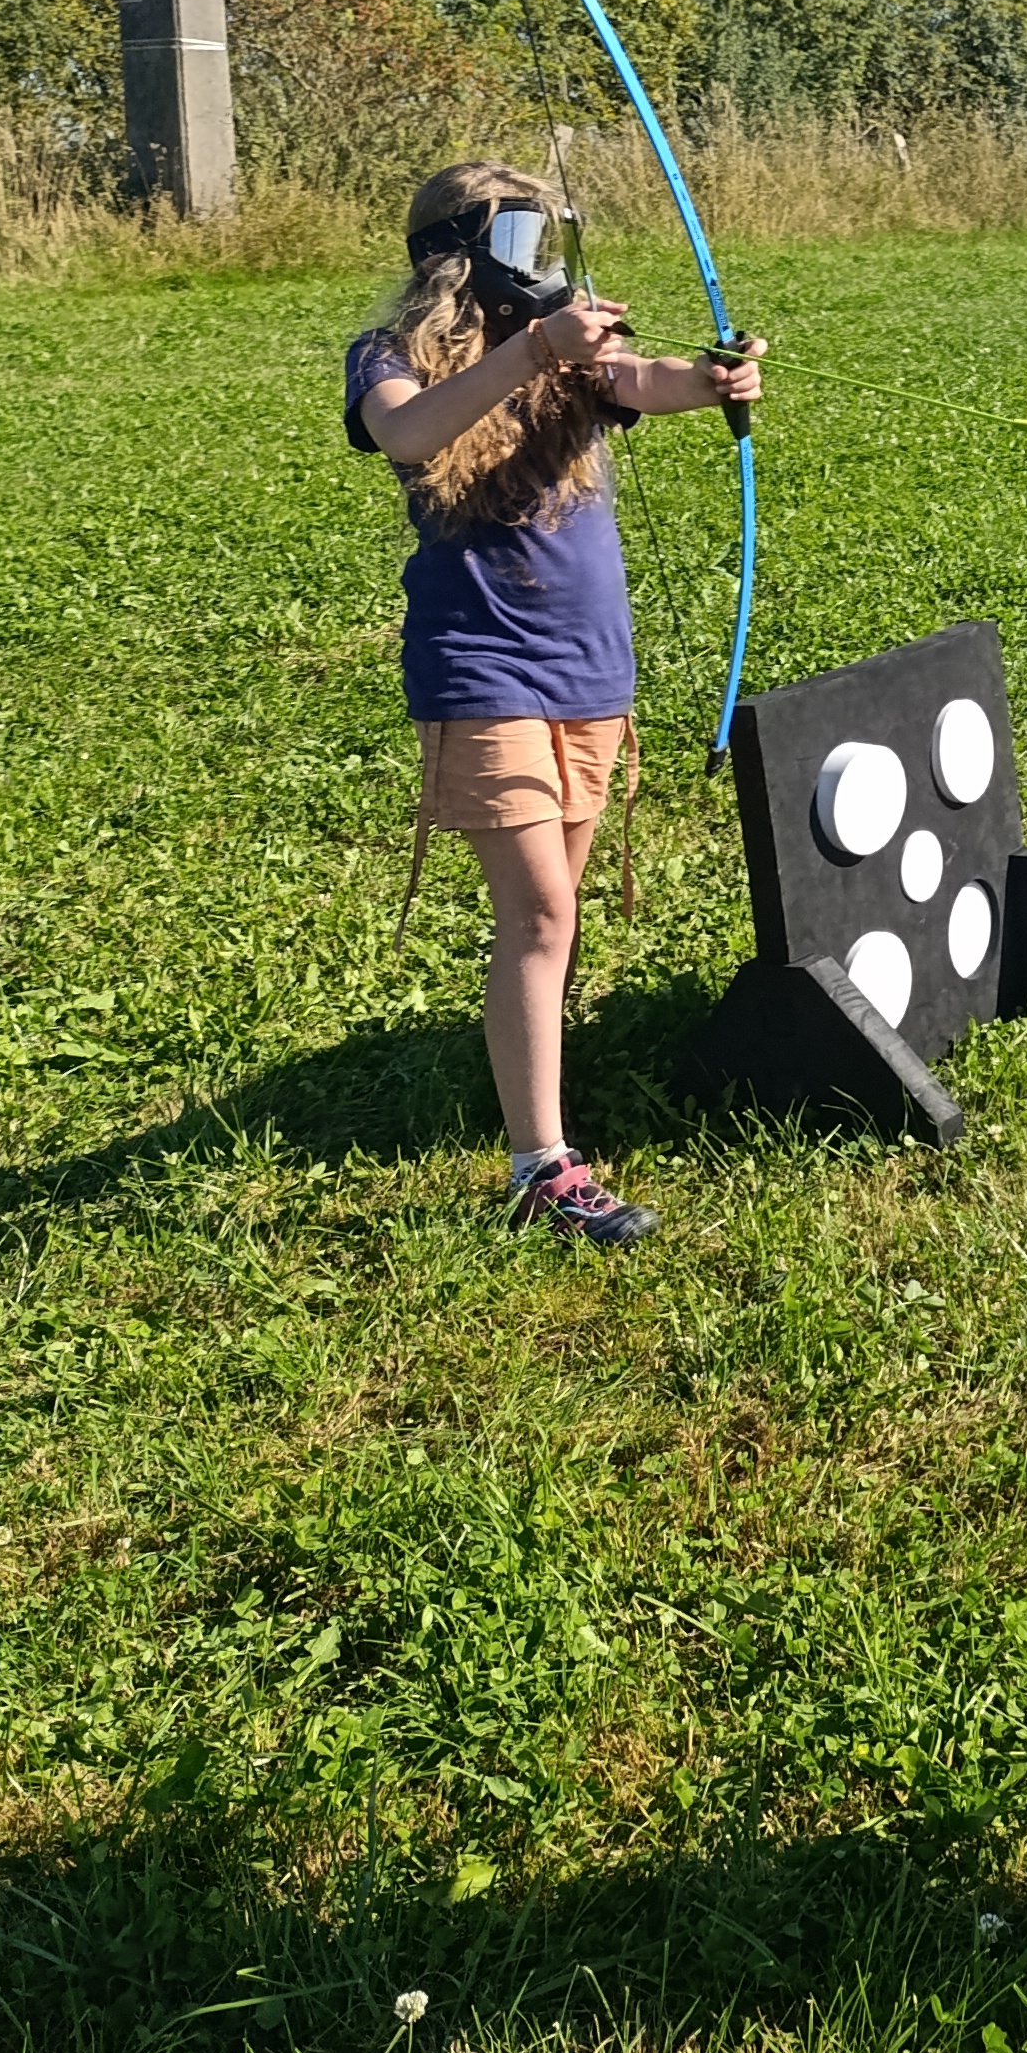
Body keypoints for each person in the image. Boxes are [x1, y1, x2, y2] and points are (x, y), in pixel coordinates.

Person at [347, 158, 764, 1245]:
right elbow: (406, 431)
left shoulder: (575, 355)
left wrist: (717, 379)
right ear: (462, 257)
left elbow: (649, 380)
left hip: (589, 667)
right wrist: (539, 347)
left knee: (552, 915)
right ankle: (543, 1165)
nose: (550, 273)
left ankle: (539, 1079)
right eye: (530, 247)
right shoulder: (390, 359)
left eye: (556, 247)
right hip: (481, 668)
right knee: (539, 910)